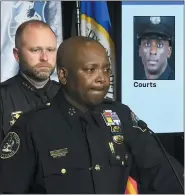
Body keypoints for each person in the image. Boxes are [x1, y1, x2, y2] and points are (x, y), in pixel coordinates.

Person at [0, 36, 183, 194]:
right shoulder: (32, 127)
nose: (102, 78)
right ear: (63, 75)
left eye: (106, 69)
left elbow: (165, 174)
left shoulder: (120, 116)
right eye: (90, 70)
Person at [0, 20, 60, 144]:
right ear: (17, 55)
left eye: (50, 49)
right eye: (35, 50)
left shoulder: (67, 94)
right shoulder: (2, 98)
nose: (44, 57)